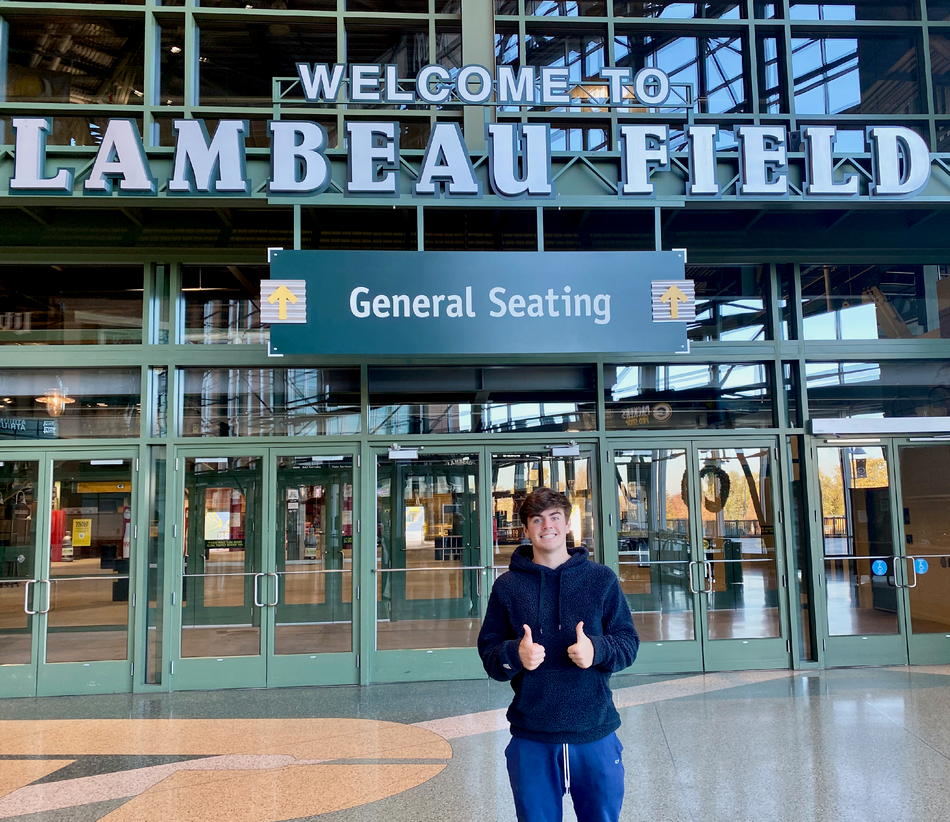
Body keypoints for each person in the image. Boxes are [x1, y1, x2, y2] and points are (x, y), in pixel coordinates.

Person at [477, 487, 639, 822]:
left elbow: (628, 642)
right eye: (536, 519)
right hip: (532, 737)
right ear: (526, 529)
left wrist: (597, 649)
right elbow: (490, 654)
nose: (546, 525)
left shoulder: (601, 580)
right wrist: (514, 654)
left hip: (594, 733)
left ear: (567, 525)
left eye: (554, 518)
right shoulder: (507, 587)